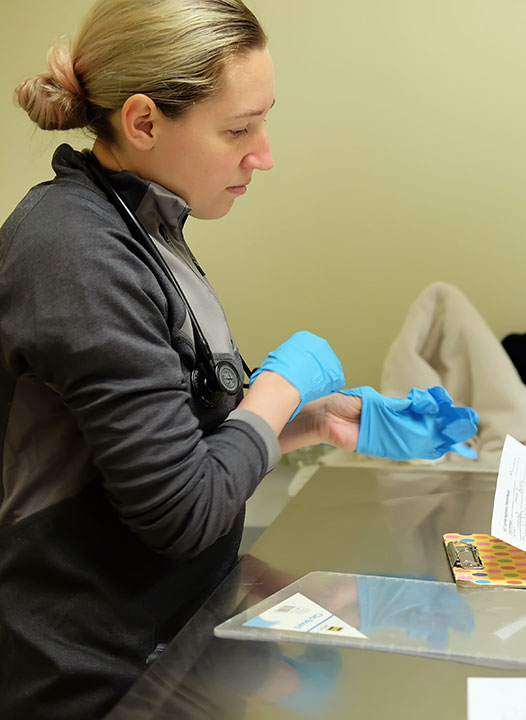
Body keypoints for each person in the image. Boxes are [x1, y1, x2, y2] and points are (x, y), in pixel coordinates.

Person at [0, 1, 478, 716]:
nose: (264, 153)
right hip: (98, 679)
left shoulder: (140, 223)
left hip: (176, 627)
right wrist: (280, 388)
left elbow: (169, 439)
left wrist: (322, 419)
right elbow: (181, 510)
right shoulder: (75, 256)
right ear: (143, 122)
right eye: (237, 129)